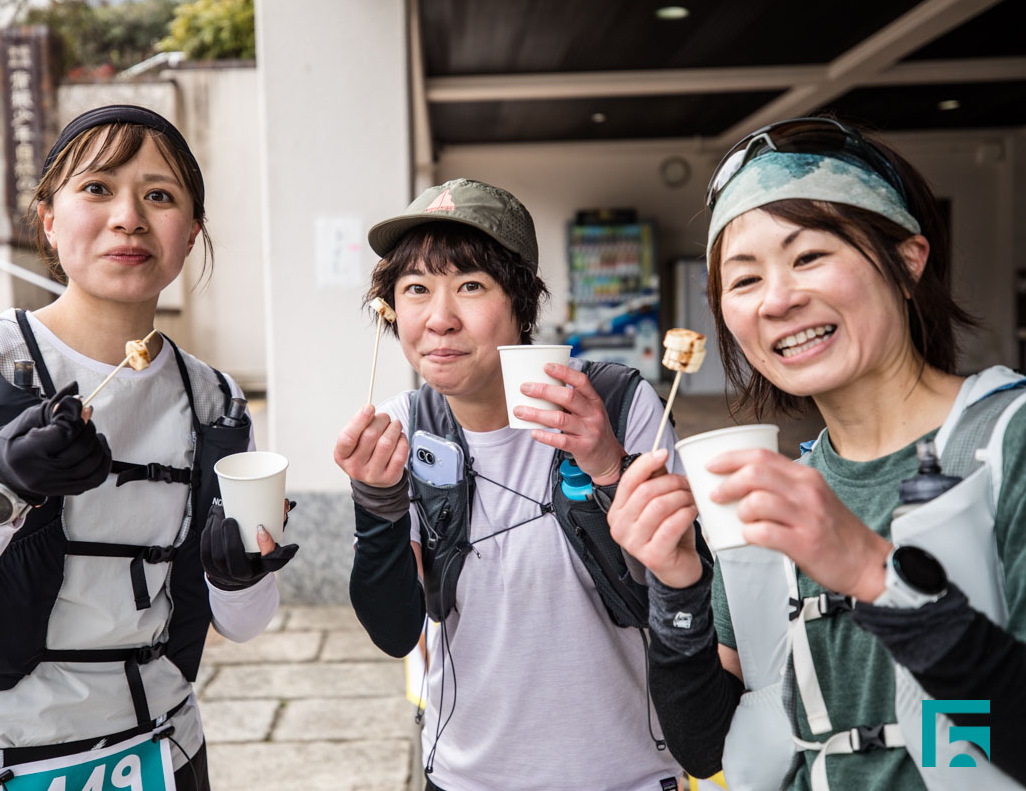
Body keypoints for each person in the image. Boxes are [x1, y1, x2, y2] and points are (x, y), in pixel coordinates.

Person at [0, 105, 297, 791]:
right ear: (48, 219)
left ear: (191, 233)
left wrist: (239, 578)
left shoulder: (215, 401)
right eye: (97, 188)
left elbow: (245, 624)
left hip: (166, 757)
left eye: (160, 195)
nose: (129, 218)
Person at [609, 117, 1026, 790]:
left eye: (808, 257)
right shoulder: (778, 492)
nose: (778, 300)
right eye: (744, 280)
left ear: (908, 261)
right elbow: (705, 746)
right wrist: (676, 585)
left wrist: (875, 576)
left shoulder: (1010, 441)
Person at [334, 178, 685, 791]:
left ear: (522, 302)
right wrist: (377, 504)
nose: (439, 319)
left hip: (624, 773)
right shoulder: (403, 429)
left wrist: (609, 465)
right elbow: (394, 630)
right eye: (415, 289)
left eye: (471, 286)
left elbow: (675, 598)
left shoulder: (617, 404)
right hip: (466, 775)